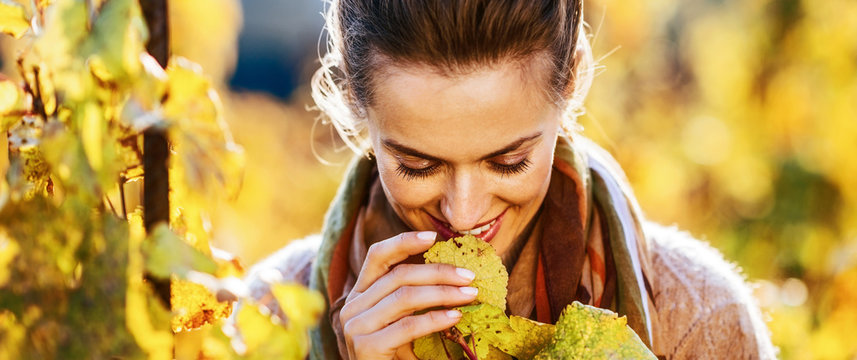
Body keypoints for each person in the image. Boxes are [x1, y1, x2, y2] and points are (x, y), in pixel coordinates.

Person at [243, 0, 777, 358]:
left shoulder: (699, 319)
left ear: (571, 83)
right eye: (418, 166)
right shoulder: (267, 317)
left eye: (508, 161)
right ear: (357, 107)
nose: (464, 212)